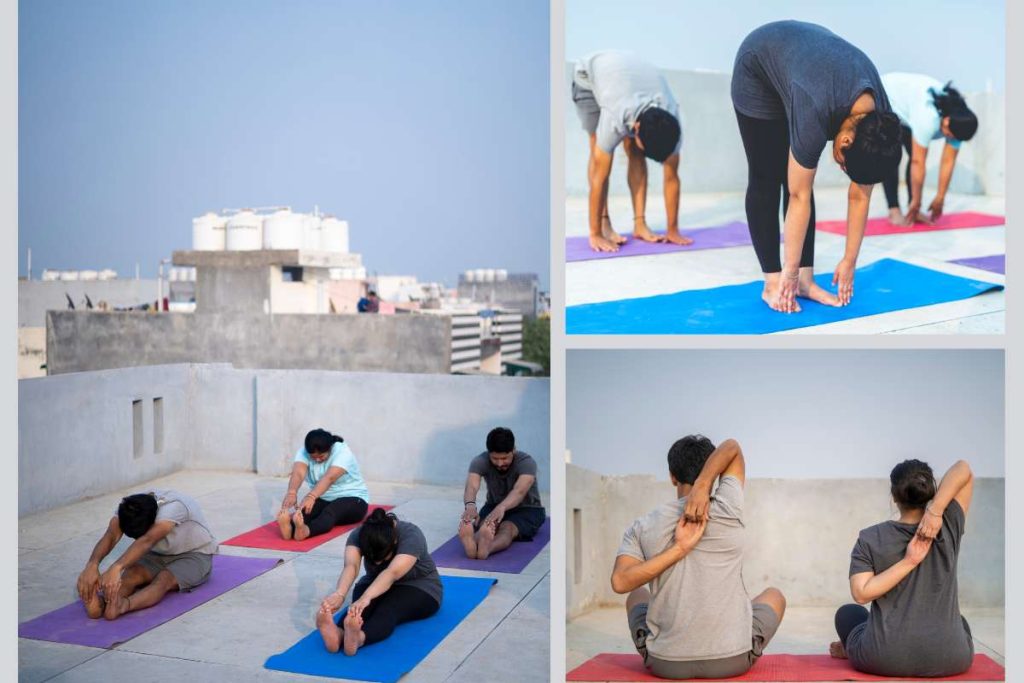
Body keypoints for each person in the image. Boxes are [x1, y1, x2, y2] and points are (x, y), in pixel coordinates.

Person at [731, 20, 903, 313]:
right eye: (843, 164)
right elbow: (799, 193)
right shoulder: (815, 106)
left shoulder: (879, 121)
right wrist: (789, 271)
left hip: (806, 67)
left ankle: (805, 283)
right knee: (769, 175)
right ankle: (773, 282)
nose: (840, 168)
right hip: (757, 67)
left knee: (799, 175)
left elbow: (861, 194)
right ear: (846, 140)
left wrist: (849, 261)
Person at [610, 436, 785, 679]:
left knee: (637, 595)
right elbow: (732, 447)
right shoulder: (727, 508)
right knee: (774, 596)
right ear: (713, 469)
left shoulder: (642, 525)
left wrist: (676, 550)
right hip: (732, 660)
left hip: (666, 664)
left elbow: (620, 582)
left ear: (672, 476)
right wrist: (705, 484)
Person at [831, 459, 975, 678]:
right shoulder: (948, 524)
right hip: (951, 658)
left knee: (849, 614)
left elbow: (861, 594)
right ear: (930, 492)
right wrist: (936, 512)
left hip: (882, 659)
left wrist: (908, 562)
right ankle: (857, 646)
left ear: (894, 496)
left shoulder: (870, 537)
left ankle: (851, 648)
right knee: (960, 622)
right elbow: (963, 469)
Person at [571, 50, 690, 253]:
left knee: (635, 150)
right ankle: (603, 224)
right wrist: (595, 234)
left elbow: (671, 177)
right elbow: (599, 177)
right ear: (635, 127)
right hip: (588, 78)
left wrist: (673, 229)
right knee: (598, 151)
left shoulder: (671, 121)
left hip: (630, 79)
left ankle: (640, 224)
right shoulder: (615, 115)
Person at [75, 489, 218, 620]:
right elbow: (111, 535)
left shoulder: (173, 508)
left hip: (194, 554)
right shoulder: (128, 508)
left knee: (164, 579)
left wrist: (116, 568)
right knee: (132, 574)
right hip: (157, 554)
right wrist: (92, 565)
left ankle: (123, 605)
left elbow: (147, 540)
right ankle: (102, 604)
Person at [316, 509, 442, 655]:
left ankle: (359, 638)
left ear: (394, 541)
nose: (378, 562)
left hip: (418, 585)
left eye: (383, 559)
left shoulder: (411, 535)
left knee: (388, 608)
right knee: (356, 611)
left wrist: (365, 598)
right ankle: (339, 634)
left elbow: (391, 573)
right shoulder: (359, 534)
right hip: (374, 581)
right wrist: (340, 593)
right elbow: (352, 565)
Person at [880, 74, 978, 226]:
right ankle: (894, 210)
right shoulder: (928, 118)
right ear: (946, 121)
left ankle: (913, 209)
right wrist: (917, 202)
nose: (949, 138)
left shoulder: (960, 123)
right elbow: (918, 162)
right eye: (948, 134)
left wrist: (940, 198)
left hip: (909, 110)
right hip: (887, 97)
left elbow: (948, 161)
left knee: (913, 152)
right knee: (891, 155)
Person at [458, 427, 546, 560]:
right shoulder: (480, 461)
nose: (500, 463)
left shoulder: (527, 462)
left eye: (504, 458)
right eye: (495, 458)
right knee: (485, 527)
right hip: (493, 504)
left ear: (514, 450)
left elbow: (519, 491)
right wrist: (470, 505)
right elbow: (472, 485)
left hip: (527, 509)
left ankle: (488, 548)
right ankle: (471, 543)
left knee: (507, 528)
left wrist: (502, 507)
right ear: (489, 453)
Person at [278, 428, 370, 541]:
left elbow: (329, 478)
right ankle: (289, 529)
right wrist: (292, 493)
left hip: (354, 499)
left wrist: (311, 496)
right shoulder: (304, 451)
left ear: (330, 448)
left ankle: (306, 531)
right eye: (313, 457)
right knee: (303, 513)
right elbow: (298, 473)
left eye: (321, 456)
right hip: (323, 497)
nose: (317, 460)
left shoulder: (342, 452)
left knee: (330, 512)